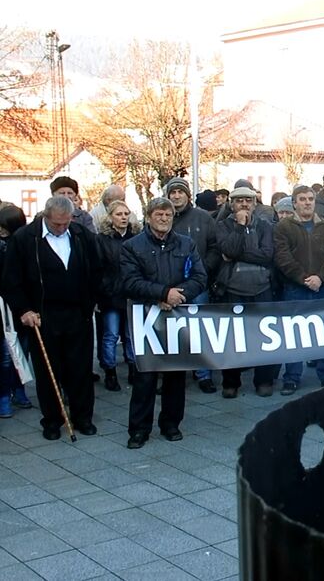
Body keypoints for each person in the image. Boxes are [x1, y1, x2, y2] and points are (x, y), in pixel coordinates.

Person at [2, 196, 101, 440]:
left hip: (78, 313)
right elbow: (10, 280)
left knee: (80, 368)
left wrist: (91, 300)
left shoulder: (80, 235)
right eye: (57, 224)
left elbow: (97, 269)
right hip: (42, 316)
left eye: (66, 223)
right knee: (48, 370)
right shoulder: (25, 238)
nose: (62, 228)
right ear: (46, 216)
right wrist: (23, 309)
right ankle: (53, 420)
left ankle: (83, 417)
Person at [120, 197, 207, 449]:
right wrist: (161, 293)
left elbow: (199, 276)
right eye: (159, 214)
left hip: (176, 315)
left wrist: (177, 295)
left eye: (168, 215)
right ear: (148, 217)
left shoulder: (186, 244)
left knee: (175, 374)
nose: (164, 219)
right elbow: (129, 281)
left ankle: (171, 424)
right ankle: (139, 429)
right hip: (146, 316)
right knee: (145, 375)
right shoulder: (132, 246)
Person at [273, 185, 324, 393]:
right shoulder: (283, 227)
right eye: (302, 199)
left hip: (323, 287)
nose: (307, 202)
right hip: (295, 288)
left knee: (323, 334)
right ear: (294, 202)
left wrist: (320, 278)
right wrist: (304, 278)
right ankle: (292, 377)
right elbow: (282, 257)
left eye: (310, 199)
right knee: (294, 336)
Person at [215, 187, 279, 398]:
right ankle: (231, 382)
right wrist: (240, 228)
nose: (244, 204)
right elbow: (229, 250)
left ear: (254, 203)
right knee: (232, 338)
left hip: (262, 288)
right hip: (233, 289)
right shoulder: (223, 226)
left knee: (264, 337)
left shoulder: (265, 226)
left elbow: (267, 255)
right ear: (231, 204)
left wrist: (238, 254)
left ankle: (264, 380)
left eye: (248, 201)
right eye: (239, 201)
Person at [164, 176, 221, 394]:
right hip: (170, 285)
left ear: (188, 195)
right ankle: (171, 373)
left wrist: (203, 269)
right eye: (172, 193)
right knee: (171, 330)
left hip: (198, 284)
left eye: (180, 192)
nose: (176, 196)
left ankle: (203, 374)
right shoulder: (162, 216)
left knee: (200, 330)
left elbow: (215, 247)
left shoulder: (203, 218)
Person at [95, 200, 141, 390]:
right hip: (111, 294)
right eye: (119, 214)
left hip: (131, 293)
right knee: (111, 335)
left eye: (126, 214)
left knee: (131, 335)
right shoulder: (102, 239)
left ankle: (132, 368)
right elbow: (98, 268)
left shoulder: (136, 237)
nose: (123, 217)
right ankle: (110, 371)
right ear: (110, 217)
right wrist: (101, 293)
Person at [0, 205, 32, 415]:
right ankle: (4, 396)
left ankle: (19, 389)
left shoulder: (24, 243)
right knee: (5, 354)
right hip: (3, 308)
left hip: (22, 306)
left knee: (22, 351)